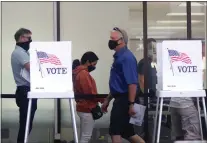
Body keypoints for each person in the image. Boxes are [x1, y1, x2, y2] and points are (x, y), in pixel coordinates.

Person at [101, 27, 145, 143]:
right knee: (128, 132)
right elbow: (118, 83)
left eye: (113, 38)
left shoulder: (127, 58)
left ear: (122, 40)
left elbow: (132, 84)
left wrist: (131, 104)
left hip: (124, 100)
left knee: (115, 132)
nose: (110, 41)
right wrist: (108, 99)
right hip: (121, 98)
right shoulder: (119, 57)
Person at [11, 28, 37, 143]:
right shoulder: (19, 53)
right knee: (25, 125)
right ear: (22, 38)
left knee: (27, 124)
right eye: (29, 38)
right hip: (25, 90)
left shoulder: (23, 52)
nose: (30, 41)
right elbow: (32, 68)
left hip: (27, 90)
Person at [72, 52, 104, 143]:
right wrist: (103, 100)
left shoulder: (78, 72)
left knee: (83, 136)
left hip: (82, 107)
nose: (94, 67)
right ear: (87, 62)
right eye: (94, 64)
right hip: (87, 107)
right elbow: (89, 93)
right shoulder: (83, 74)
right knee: (86, 137)